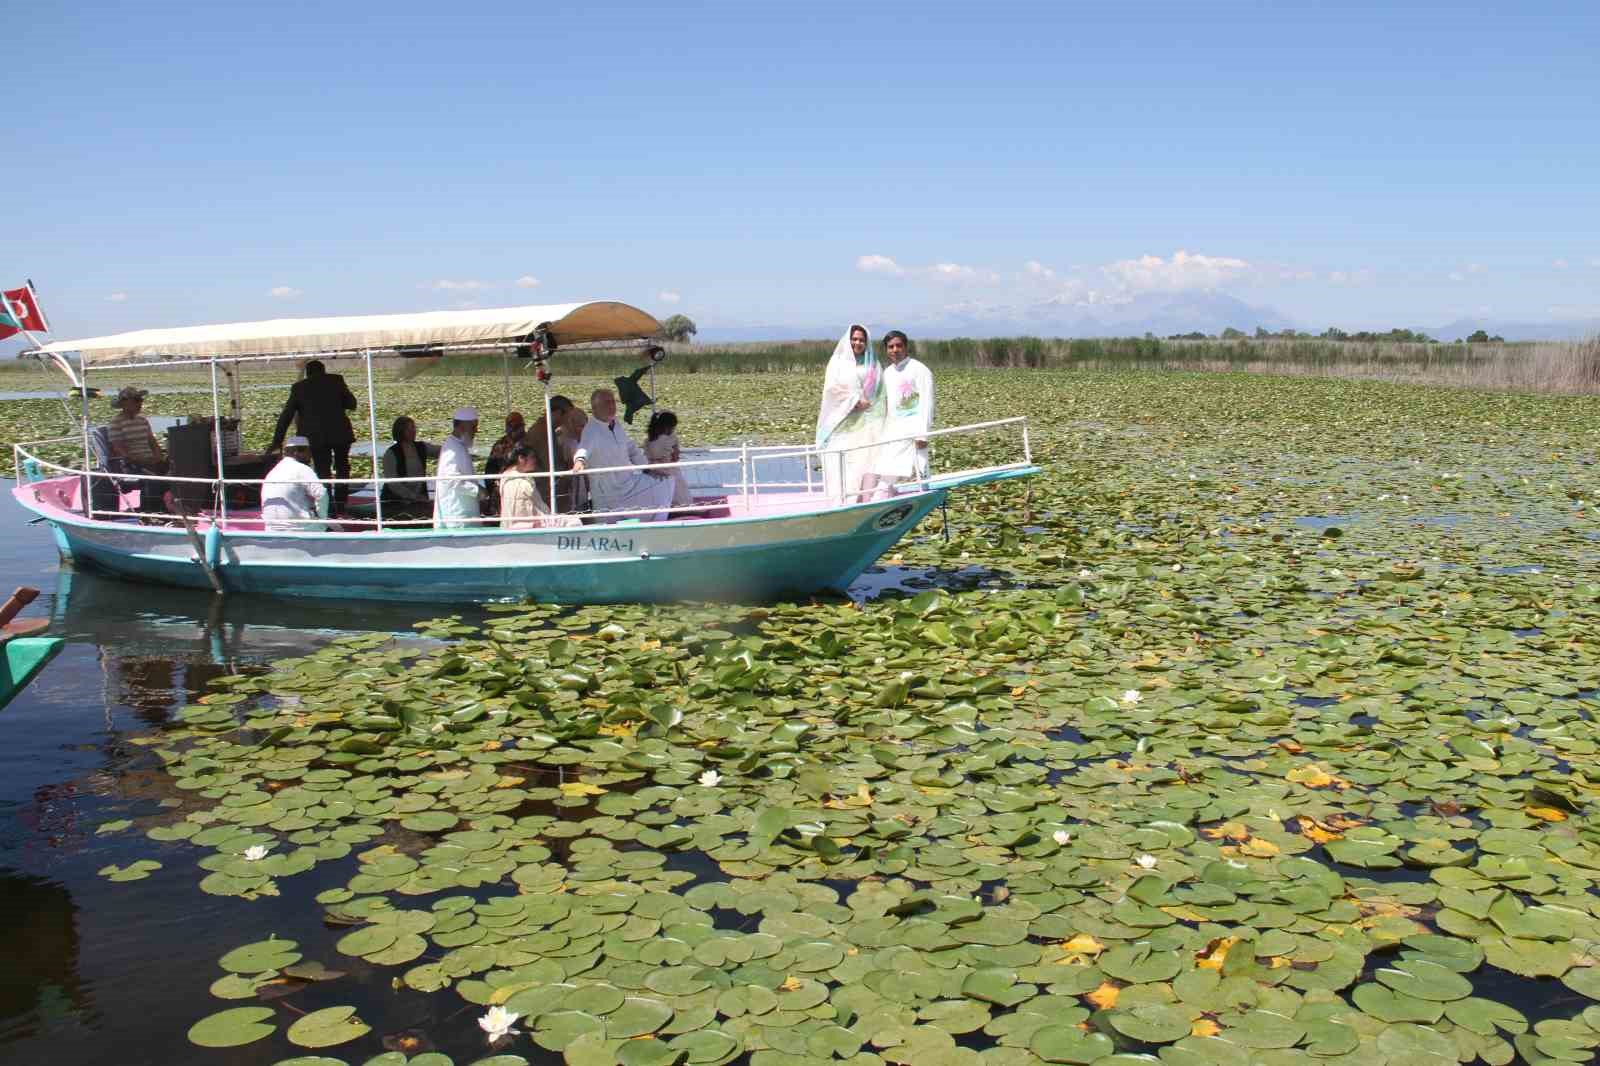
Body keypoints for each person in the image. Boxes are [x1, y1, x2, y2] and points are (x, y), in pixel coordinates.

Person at [574, 389, 675, 522]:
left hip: (628, 482)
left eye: (613, 402)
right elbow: (583, 448)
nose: (611, 406)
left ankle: (657, 523)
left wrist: (648, 468)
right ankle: (651, 522)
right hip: (608, 491)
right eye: (606, 403)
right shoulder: (591, 430)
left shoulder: (616, 424)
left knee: (666, 481)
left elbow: (631, 448)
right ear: (595, 408)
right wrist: (579, 461)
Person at [270, 359, 358, 511]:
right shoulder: (336, 380)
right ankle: (341, 503)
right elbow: (352, 404)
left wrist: (277, 440)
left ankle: (328, 506)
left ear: (307, 373)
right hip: (339, 433)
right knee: (342, 467)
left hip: (315, 437)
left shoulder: (299, 387)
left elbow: (287, 415)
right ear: (323, 370)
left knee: (322, 470)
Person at [815, 323, 886, 503]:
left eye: (861, 340)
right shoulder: (838, 362)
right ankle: (841, 500)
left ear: (866, 342)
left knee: (867, 460)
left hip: (869, 420)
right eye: (854, 339)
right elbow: (832, 390)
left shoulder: (873, 364)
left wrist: (868, 406)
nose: (857, 343)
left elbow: (880, 392)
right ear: (848, 340)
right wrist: (854, 401)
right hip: (843, 421)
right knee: (843, 462)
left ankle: (864, 498)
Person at [874, 330, 935, 494]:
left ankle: (925, 494)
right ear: (886, 350)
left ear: (906, 347)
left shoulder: (919, 369)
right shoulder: (887, 373)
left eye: (899, 345)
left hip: (915, 429)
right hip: (894, 430)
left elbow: (927, 402)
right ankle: (882, 498)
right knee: (888, 472)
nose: (895, 350)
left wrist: (923, 434)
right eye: (890, 347)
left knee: (922, 472)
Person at [105, 386, 171, 513]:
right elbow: (118, 449)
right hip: (131, 465)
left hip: (149, 460)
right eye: (136, 400)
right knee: (153, 479)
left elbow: (152, 442)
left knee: (177, 470)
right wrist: (142, 461)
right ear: (125, 404)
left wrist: (158, 457)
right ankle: (151, 512)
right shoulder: (116, 423)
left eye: (140, 400)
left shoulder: (142, 420)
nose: (140, 403)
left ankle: (168, 506)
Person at [500, 444, 579, 529]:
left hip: (522, 523)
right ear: (521, 459)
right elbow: (524, 509)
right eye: (532, 457)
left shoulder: (507, 477)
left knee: (571, 520)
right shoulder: (520, 482)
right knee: (575, 522)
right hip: (531, 525)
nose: (535, 460)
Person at [380, 416, 440, 523]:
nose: (413, 431)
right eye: (409, 429)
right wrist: (413, 496)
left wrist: (456, 448)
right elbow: (393, 483)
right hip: (396, 500)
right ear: (400, 431)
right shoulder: (391, 453)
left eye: (414, 428)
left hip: (419, 498)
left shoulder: (421, 447)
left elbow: (439, 450)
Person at [261, 436, 328, 531]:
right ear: (297, 452)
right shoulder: (302, 469)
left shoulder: (273, 471)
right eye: (308, 452)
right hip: (297, 528)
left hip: (271, 527)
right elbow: (321, 494)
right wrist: (322, 519)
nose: (310, 456)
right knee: (332, 528)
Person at [433, 407, 482, 529]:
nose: (475, 431)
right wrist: (477, 491)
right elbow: (453, 480)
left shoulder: (459, 446)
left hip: (462, 516)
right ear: (463, 426)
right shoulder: (452, 448)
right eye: (473, 427)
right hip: (457, 517)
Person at [643, 410, 693, 512]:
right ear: (669, 427)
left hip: (653, 472)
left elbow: (646, 458)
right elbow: (675, 458)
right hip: (668, 470)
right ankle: (684, 509)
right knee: (679, 489)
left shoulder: (648, 440)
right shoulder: (670, 439)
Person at [483, 411, 527, 513]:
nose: (517, 431)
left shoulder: (528, 444)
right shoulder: (499, 446)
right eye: (513, 428)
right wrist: (497, 485)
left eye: (519, 427)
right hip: (502, 489)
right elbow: (489, 473)